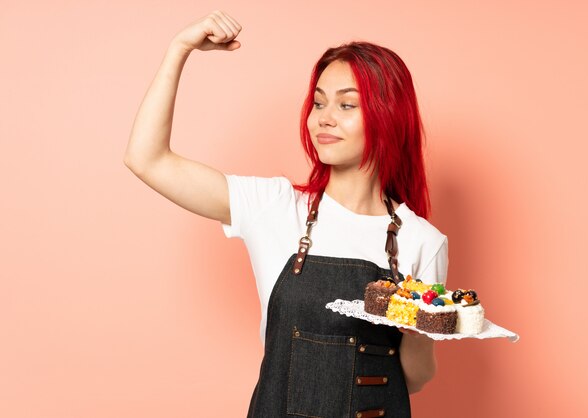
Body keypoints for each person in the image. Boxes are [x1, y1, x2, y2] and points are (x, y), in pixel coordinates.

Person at [124, 10, 448, 417]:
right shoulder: (274, 207)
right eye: (318, 103)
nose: (324, 118)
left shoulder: (423, 241)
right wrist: (179, 49)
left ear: (388, 116)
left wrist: (417, 326)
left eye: (347, 104)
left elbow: (416, 376)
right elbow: (147, 159)